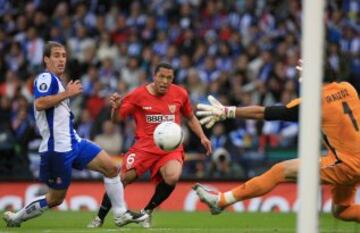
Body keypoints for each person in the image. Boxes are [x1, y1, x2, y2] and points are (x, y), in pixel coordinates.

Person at [3, 41, 148, 227]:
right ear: (46, 59)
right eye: (56, 55)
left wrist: (66, 94)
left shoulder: (58, 81)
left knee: (111, 169)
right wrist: (67, 94)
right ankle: (17, 218)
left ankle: (120, 214)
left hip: (74, 142)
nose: (61, 59)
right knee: (56, 198)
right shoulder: (45, 78)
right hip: (57, 148)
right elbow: (39, 103)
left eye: (63, 55)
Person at [193, 64, 360, 222]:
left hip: (347, 163)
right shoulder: (348, 88)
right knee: (342, 210)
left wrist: (228, 111)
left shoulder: (314, 102)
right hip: (349, 156)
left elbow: (264, 112)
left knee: (280, 170)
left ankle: (220, 201)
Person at [87, 62, 212, 228]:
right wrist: (116, 109)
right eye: (161, 76)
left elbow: (190, 117)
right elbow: (116, 120)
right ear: (154, 76)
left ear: (173, 79)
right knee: (122, 178)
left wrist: (202, 136)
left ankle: (146, 213)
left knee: (173, 176)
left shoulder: (180, 93)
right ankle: (100, 217)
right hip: (144, 146)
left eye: (169, 78)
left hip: (170, 148)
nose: (165, 81)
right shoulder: (138, 95)